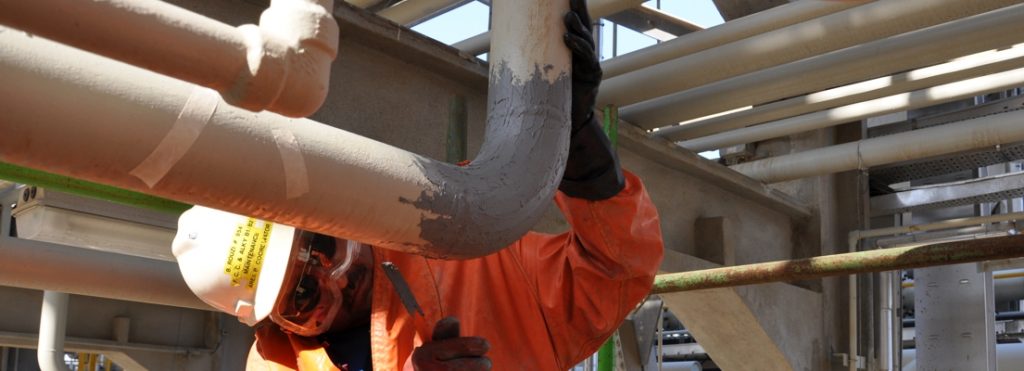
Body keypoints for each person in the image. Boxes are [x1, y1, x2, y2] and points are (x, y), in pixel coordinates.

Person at [172, 0, 663, 369]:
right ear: (275, 321)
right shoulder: (276, 365)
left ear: (321, 214)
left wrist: (571, 136)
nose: (339, 281)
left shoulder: (466, 241)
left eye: (321, 249)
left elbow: (618, 267)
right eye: (305, 294)